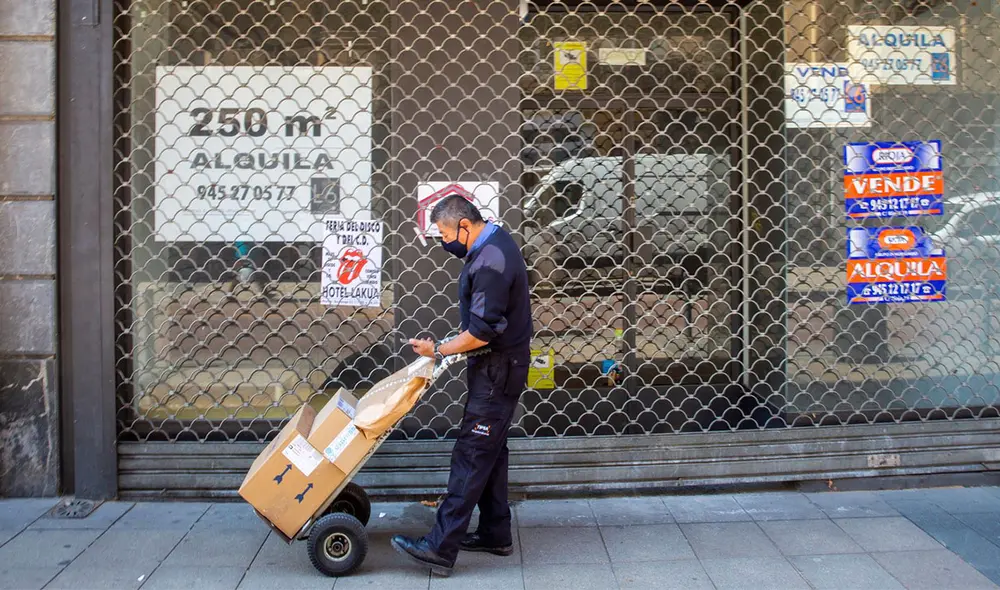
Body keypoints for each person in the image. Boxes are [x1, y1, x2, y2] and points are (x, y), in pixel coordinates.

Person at [392, 195, 533, 577]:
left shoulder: (490, 260)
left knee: (472, 454)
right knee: (491, 452)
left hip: (497, 370)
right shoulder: (493, 242)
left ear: (465, 226)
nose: (442, 241)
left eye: (443, 233)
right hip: (500, 367)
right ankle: (495, 533)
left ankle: (439, 548)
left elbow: (482, 332)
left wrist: (437, 349)